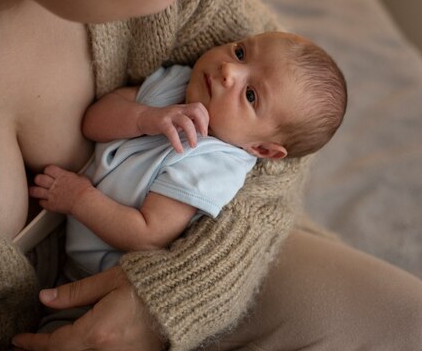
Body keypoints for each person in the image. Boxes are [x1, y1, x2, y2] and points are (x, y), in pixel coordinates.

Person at [0, 0, 422, 351]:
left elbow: (287, 138)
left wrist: (172, 298)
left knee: (419, 327)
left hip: (183, 254)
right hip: (0, 325)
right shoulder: (185, 82)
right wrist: (146, 118)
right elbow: (110, 119)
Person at [28, 31, 347, 322]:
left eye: (250, 95)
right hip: (67, 243)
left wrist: (79, 199)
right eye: (240, 53)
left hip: (101, 286)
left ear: (261, 148)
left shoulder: (213, 164)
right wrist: (145, 118)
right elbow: (92, 123)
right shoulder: (178, 82)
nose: (229, 71)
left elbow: (147, 235)